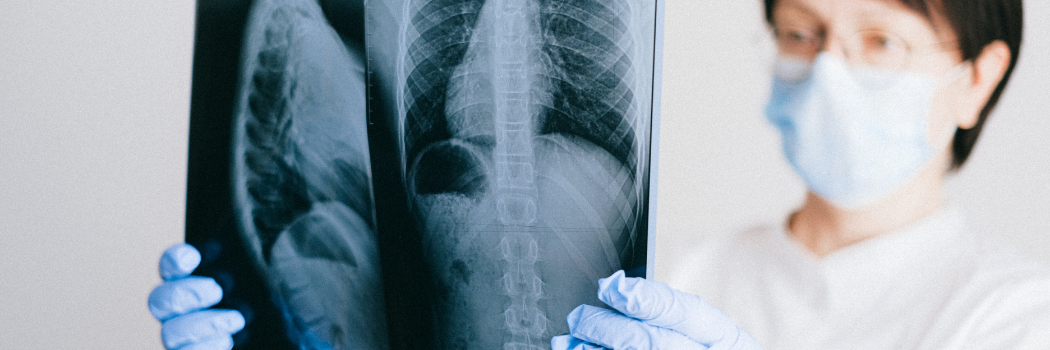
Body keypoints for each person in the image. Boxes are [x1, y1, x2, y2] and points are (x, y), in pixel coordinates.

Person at [149, 0, 1050, 348]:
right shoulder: (663, 285)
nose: (829, 72)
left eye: (881, 42)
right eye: (804, 34)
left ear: (979, 77)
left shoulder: (1015, 318)